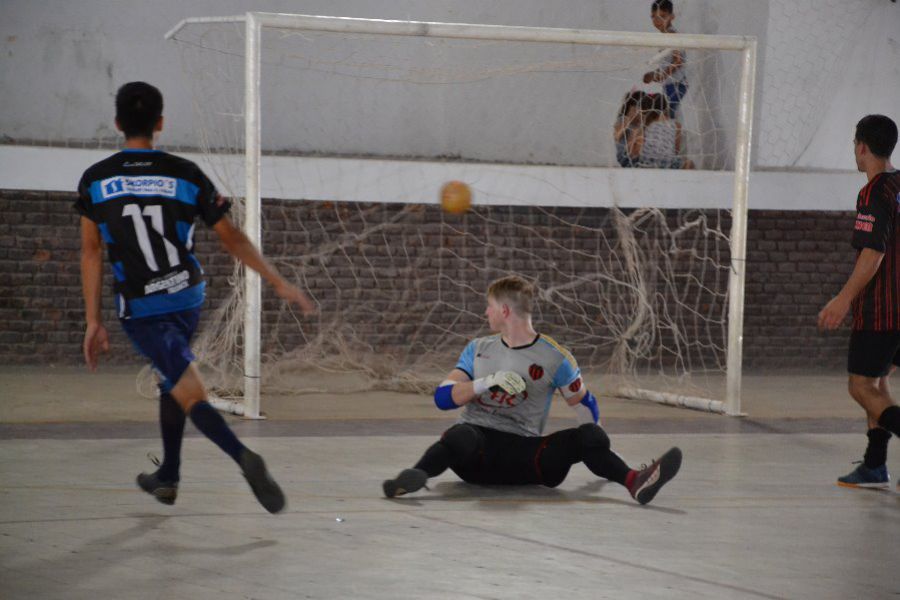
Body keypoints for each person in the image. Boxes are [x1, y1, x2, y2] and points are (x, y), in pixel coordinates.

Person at [76, 82, 316, 513]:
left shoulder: (96, 181)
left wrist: (93, 320)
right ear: (160, 124)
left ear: (117, 124)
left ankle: (243, 457)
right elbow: (232, 237)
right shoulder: (186, 174)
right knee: (172, 380)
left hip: (143, 309)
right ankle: (168, 476)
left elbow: (91, 251)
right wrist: (276, 279)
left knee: (188, 391)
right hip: (188, 296)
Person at [382, 275, 682, 505]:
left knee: (589, 436)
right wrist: (486, 382)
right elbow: (442, 397)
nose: (485, 313)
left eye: (488, 306)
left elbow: (583, 404)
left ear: (503, 310)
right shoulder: (479, 349)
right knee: (460, 435)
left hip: (528, 458)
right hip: (475, 455)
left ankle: (634, 480)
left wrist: (598, 443)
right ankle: (414, 476)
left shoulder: (555, 357)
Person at [818, 114, 900, 489]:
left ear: (862, 146)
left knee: (860, 386)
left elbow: (873, 254)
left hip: (882, 309)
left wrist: (843, 298)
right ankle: (874, 465)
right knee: (880, 381)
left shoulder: (874, 192)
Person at [642, 0, 688, 119]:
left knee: (667, 117)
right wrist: (653, 74)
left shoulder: (672, 35)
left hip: (677, 84)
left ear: (672, 16)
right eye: (654, 17)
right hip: (670, 84)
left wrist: (662, 75)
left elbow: (678, 61)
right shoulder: (664, 36)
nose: (657, 20)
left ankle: (673, 136)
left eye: (662, 16)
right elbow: (667, 64)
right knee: (669, 117)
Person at [633, 94, 694, 169]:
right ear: (665, 107)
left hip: (647, 162)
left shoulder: (646, 124)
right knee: (689, 162)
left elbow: (637, 149)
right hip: (668, 162)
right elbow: (676, 149)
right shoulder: (676, 125)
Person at [614, 91, 646, 168]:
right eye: (635, 110)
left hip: (638, 157)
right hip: (624, 157)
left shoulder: (641, 123)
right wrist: (627, 124)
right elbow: (616, 137)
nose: (639, 113)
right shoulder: (622, 120)